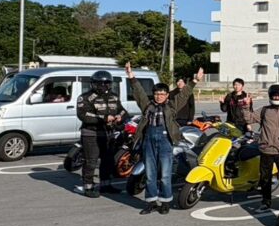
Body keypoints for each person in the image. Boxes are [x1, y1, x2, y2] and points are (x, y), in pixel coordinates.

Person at [126, 63, 203, 215]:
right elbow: (139, 92)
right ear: (153, 94)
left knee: (165, 175)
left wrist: (195, 81)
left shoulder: (172, 106)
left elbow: (184, 95)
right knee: (150, 174)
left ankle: (165, 202)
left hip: (165, 141)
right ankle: (151, 203)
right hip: (148, 141)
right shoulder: (147, 106)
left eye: (162, 94)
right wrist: (131, 76)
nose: (159, 96)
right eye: (156, 94)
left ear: (167, 95)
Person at [242, 83, 279, 210]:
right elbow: (249, 119)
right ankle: (266, 201)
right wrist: (246, 106)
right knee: (265, 178)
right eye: (274, 95)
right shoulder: (264, 110)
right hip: (266, 150)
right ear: (270, 96)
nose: (277, 97)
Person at [75, 70, 128, 197]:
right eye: (100, 84)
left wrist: (119, 117)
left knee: (108, 161)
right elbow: (83, 115)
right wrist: (104, 118)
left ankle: (106, 185)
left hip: (108, 134)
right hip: (91, 133)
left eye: (106, 83)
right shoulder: (85, 97)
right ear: (93, 84)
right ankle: (88, 187)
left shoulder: (114, 96)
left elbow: (123, 111)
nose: (103, 86)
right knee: (91, 161)